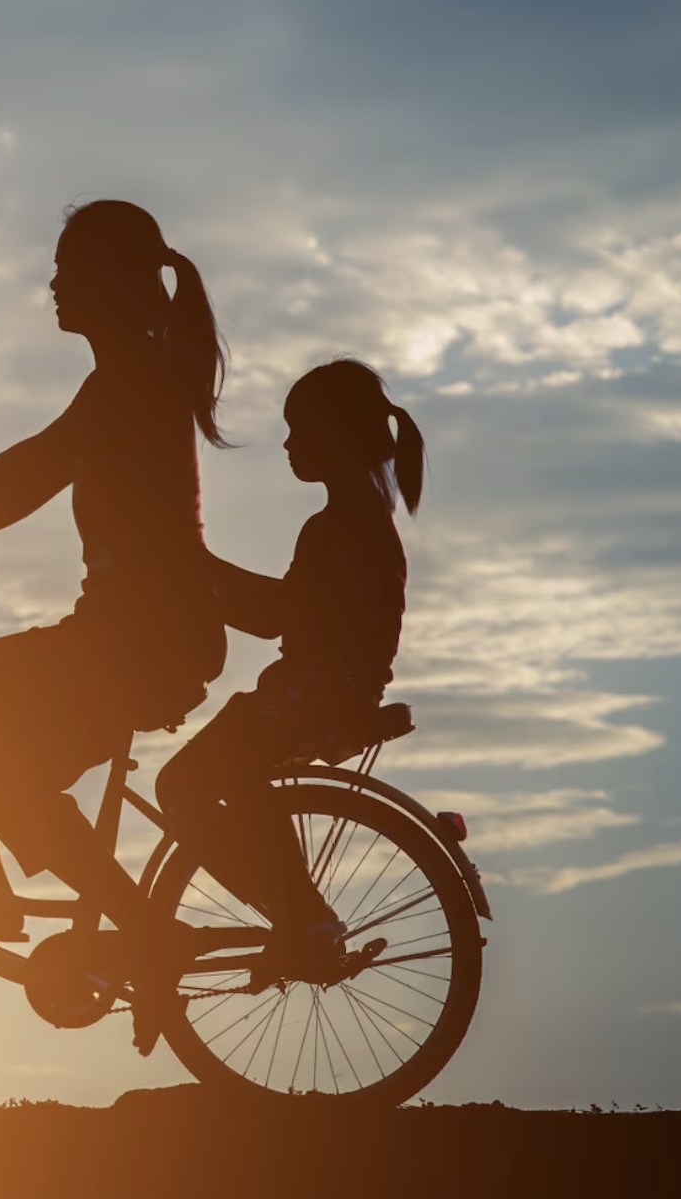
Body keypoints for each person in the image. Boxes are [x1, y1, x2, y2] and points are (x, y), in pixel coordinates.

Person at [0, 200, 229, 963]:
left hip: (139, 644)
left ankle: (53, 913)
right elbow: (18, 484)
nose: (53, 286)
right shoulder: (125, 381)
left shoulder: (133, 385)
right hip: (125, 638)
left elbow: (19, 480)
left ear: (110, 284)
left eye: (67, 272)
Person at [154, 358, 426, 983]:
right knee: (221, 778)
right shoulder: (358, 521)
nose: (288, 443)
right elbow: (286, 615)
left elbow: (277, 618)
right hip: (322, 693)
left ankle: (296, 912)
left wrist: (196, 569)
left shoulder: (341, 527)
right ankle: (295, 910)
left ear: (338, 436)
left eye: (300, 429)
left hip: (314, 697)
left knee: (181, 787)